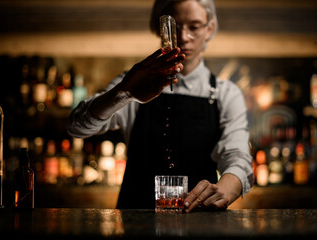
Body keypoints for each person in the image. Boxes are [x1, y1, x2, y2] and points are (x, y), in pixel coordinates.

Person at [66, 0, 253, 213]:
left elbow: (239, 158)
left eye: (194, 26)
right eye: (174, 27)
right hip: (136, 219)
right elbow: (76, 127)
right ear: (158, 27)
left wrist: (226, 190)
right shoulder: (132, 84)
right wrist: (123, 93)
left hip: (202, 222)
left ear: (209, 29)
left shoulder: (226, 93)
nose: (183, 37)